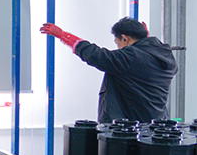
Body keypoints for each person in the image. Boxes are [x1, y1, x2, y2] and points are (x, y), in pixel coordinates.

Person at [40, 17, 177, 124]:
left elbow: (96, 55)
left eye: (117, 42)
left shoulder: (130, 58)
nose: (118, 47)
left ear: (125, 39)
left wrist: (63, 35)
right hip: (156, 124)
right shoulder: (164, 55)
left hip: (130, 130)